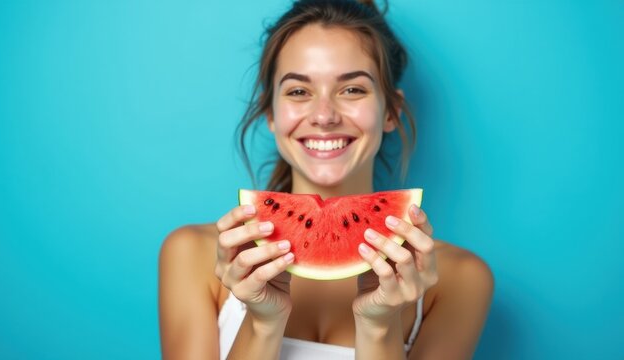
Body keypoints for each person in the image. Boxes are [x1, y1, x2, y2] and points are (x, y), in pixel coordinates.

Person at [158, 0, 494, 359]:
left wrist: (379, 325)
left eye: (352, 89)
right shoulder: (194, 254)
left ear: (391, 111)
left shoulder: (459, 280)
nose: (324, 115)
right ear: (271, 113)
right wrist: (263, 322)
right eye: (299, 91)